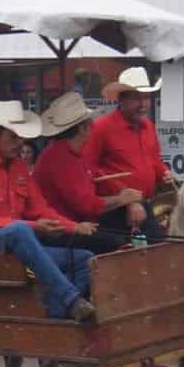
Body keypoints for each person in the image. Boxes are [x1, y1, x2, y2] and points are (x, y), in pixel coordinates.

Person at [0, 100, 97, 322]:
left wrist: (74, 227)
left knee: (86, 260)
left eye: (20, 137)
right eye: (13, 137)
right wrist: (33, 227)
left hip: (17, 246)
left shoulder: (19, 167)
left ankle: (54, 318)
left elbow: (40, 208)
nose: (19, 143)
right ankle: (72, 300)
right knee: (19, 230)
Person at [33, 92, 143, 254]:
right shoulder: (59, 158)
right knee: (116, 242)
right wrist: (122, 199)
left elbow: (100, 176)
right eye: (89, 123)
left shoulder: (75, 153)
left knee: (141, 209)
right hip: (63, 230)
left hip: (82, 222)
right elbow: (85, 206)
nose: (93, 126)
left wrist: (128, 198)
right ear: (83, 128)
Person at [82, 67, 172, 240]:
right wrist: (126, 197)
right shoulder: (101, 128)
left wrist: (163, 172)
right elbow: (89, 170)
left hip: (144, 204)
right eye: (136, 99)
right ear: (121, 100)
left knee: (155, 251)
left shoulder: (148, 127)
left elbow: (154, 160)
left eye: (146, 98)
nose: (143, 104)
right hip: (114, 209)